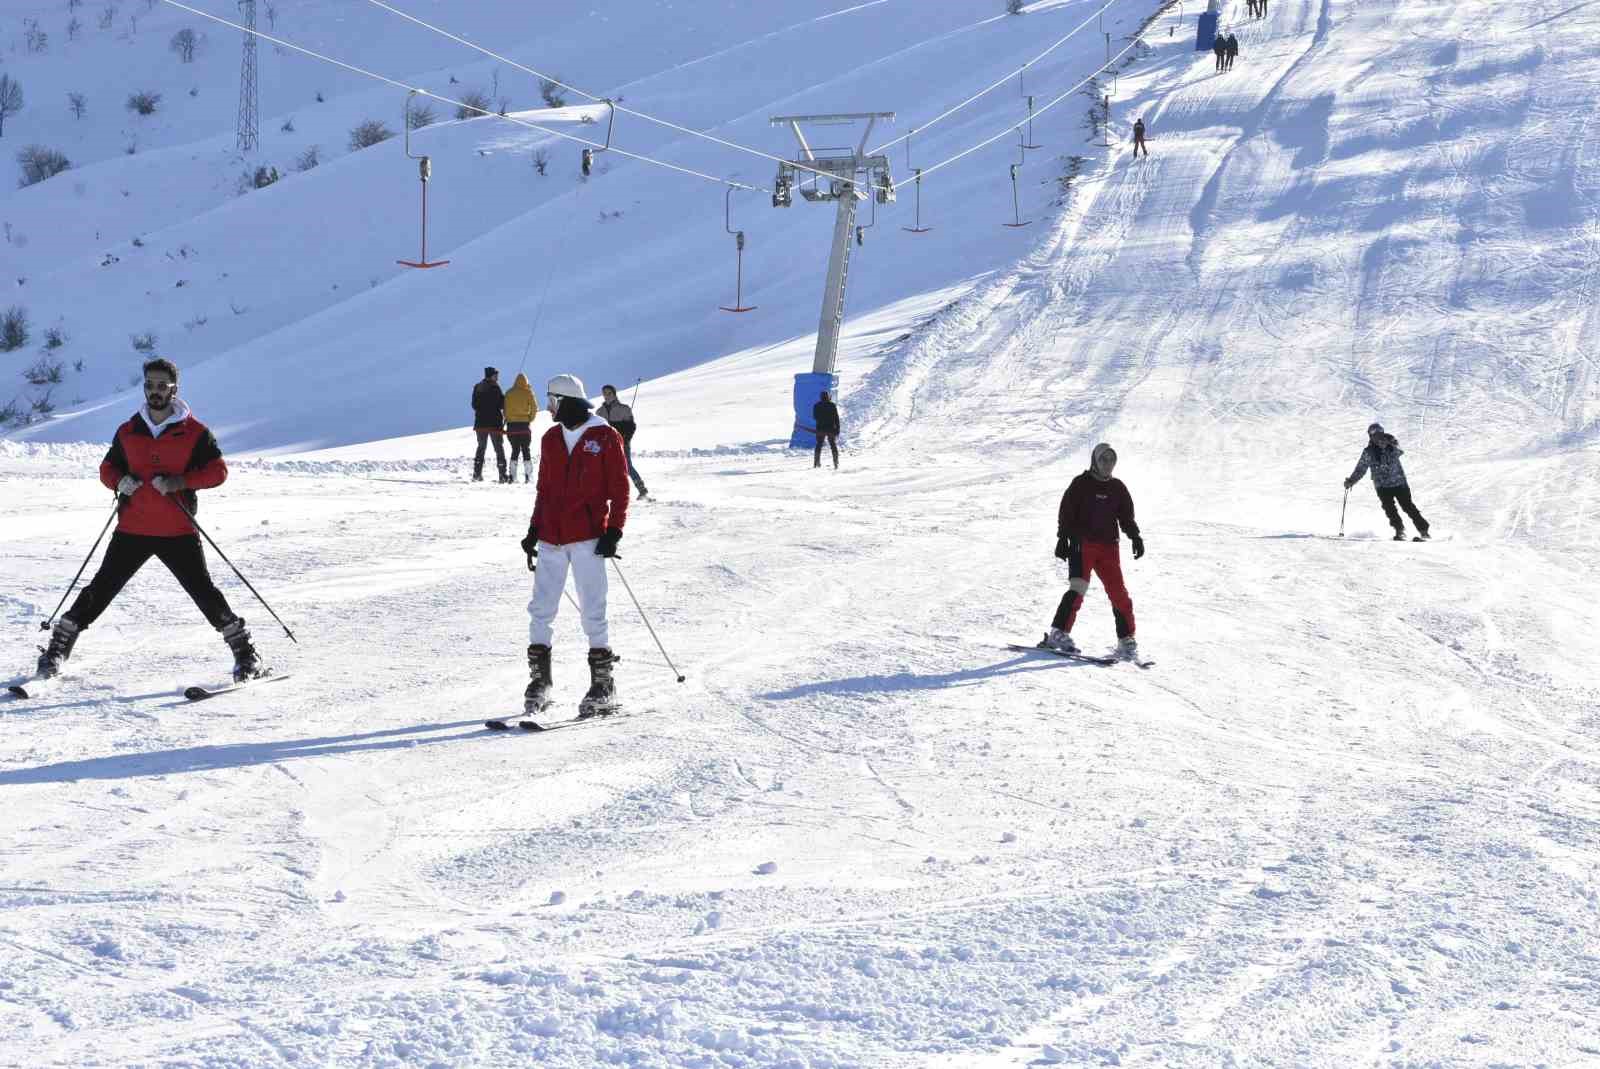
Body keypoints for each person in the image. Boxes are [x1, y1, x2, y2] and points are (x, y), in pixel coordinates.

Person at [35, 358, 265, 683]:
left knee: (203, 592)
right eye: (149, 385)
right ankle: (57, 650)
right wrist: (119, 481)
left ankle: (245, 654)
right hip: (133, 528)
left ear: (174, 389)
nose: (155, 391)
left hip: (177, 530)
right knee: (101, 589)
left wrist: (179, 482)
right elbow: (107, 469)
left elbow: (218, 472)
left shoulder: (195, 432)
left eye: (162, 385)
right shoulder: (128, 431)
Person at [519, 373, 631, 718]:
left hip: (587, 537)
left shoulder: (605, 436)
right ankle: (540, 682)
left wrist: (614, 530)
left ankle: (603, 685)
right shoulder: (551, 438)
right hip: (551, 537)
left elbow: (620, 488)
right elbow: (544, 489)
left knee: (592, 608)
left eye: (551, 401)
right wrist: (534, 528)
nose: (548, 407)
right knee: (541, 609)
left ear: (566, 400)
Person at [1044, 443, 1144, 660]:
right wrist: (1062, 538)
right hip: (1082, 543)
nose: (1107, 464)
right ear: (1095, 461)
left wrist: (1135, 537)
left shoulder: (1117, 488)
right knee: (1078, 587)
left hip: (1109, 546)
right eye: (1103, 460)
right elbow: (1066, 512)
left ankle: (1126, 639)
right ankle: (1058, 633)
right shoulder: (1081, 484)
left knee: (1119, 593)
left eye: (1111, 460)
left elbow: (1126, 517)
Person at [1344, 423, 1431, 541]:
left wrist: (1389, 444)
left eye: (1379, 434)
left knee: (1408, 506)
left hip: (1399, 483)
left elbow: (1400, 451)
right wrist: (1351, 481)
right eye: (1374, 435)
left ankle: (1423, 530)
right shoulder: (1369, 452)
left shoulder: (1392, 443)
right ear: (1371, 437)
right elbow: (1361, 468)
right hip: (1382, 486)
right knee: (1390, 509)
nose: (1377, 437)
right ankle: (1400, 531)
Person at [597, 384, 649, 499]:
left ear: (614, 394)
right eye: (604, 393)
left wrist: (626, 439)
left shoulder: (624, 408)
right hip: (606, 445)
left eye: (609, 393)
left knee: (626, 466)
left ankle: (642, 489)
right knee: (605, 467)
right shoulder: (599, 412)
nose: (606, 395)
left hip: (622, 443)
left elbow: (631, 426)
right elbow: (597, 430)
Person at [471, 366, 507, 483]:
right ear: (491, 376)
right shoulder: (495, 388)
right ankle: (502, 475)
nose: (497, 377)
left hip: (480, 424)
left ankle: (477, 474)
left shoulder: (477, 387)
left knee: (481, 448)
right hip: (494, 424)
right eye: (496, 375)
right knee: (499, 448)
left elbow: (474, 405)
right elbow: (502, 404)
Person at [504, 372, 536, 484]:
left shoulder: (508, 393)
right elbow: (534, 408)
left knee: (515, 450)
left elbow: (505, 410)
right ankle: (529, 476)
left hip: (511, 427)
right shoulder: (528, 392)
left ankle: (512, 476)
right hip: (524, 426)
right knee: (526, 450)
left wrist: (509, 419)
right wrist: (529, 419)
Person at [813, 390, 841, 469]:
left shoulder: (816, 405)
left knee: (819, 445)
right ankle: (836, 463)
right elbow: (836, 418)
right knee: (833, 445)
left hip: (820, 428)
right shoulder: (832, 405)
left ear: (821, 397)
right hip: (831, 428)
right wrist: (838, 429)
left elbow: (815, 417)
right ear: (828, 397)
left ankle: (816, 463)